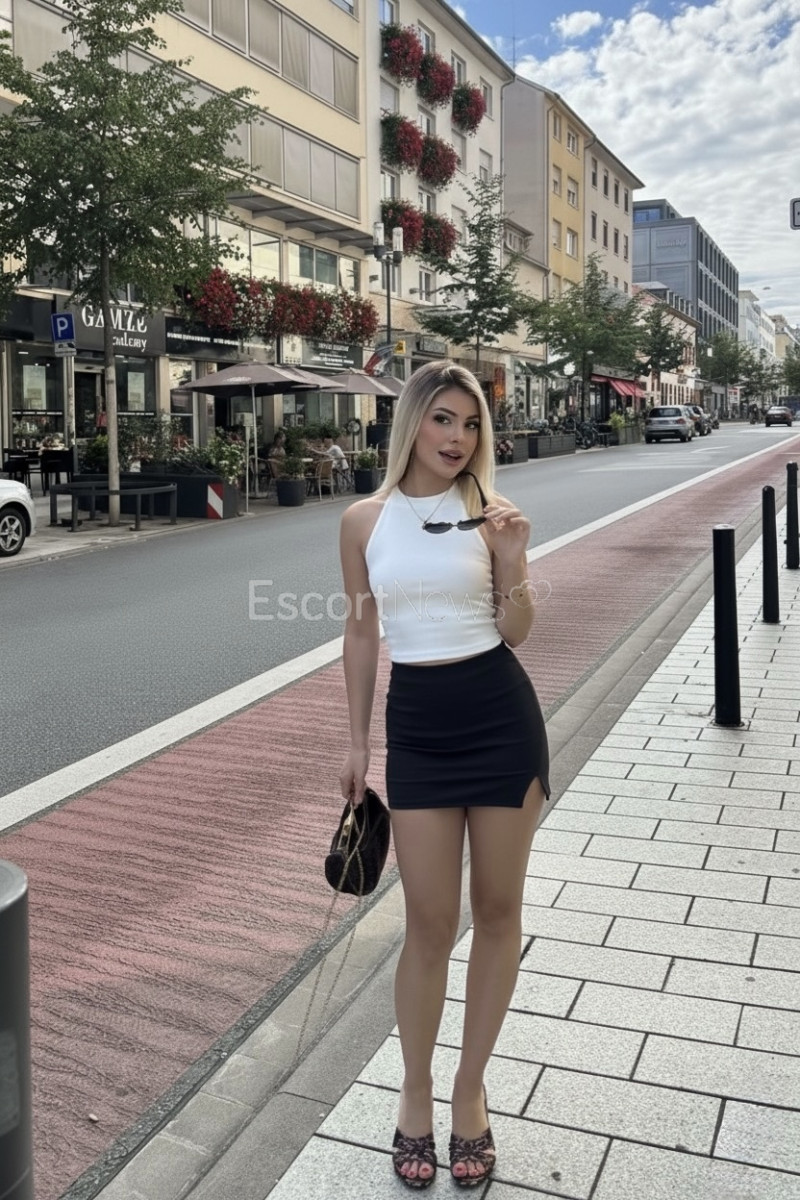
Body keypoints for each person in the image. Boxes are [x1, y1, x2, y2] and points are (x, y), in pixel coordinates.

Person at [339, 361, 549, 1190]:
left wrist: (515, 560)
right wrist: (357, 743)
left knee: (497, 912)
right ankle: (415, 1092)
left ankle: (470, 1093)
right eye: (442, 419)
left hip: (501, 720)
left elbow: (518, 631)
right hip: (419, 727)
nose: (457, 437)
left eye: (470, 424)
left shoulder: (492, 514)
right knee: (428, 924)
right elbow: (362, 632)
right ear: (412, 424)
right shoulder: (364, 520)